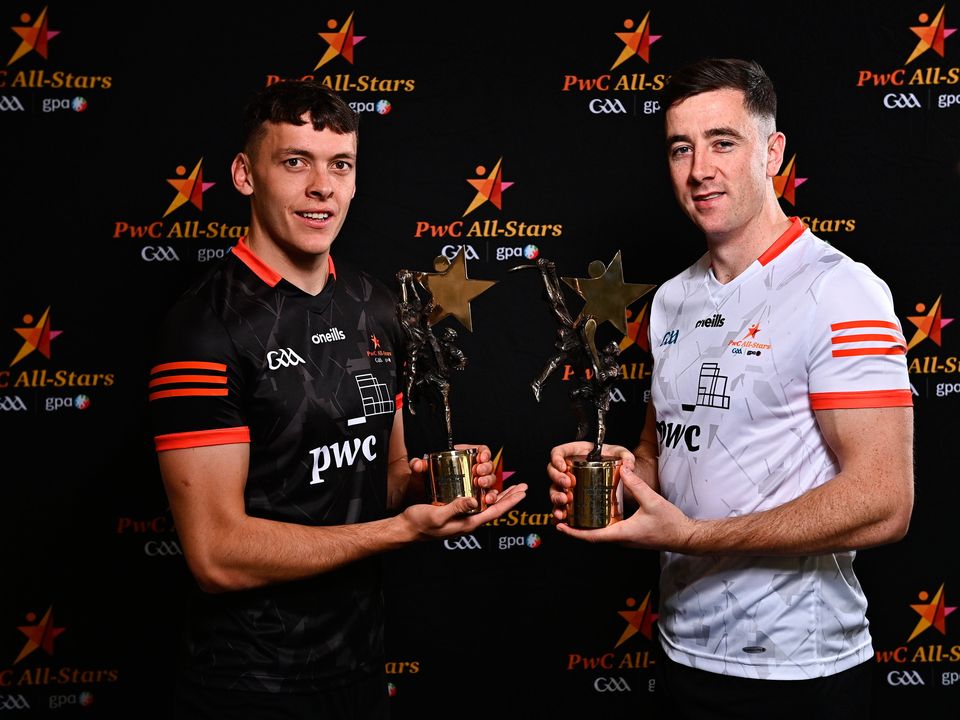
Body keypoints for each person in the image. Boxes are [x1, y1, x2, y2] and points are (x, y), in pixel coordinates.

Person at [147, 80, 527, 720]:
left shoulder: (375, 306)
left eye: (340, 165)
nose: (321, 186)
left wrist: (434, 484)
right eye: (295, 162)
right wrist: (398, 533)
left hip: (360, 668)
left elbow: (385, 481)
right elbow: (216, 554)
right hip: (248, 682)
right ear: (245, 175)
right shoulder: (205, 327)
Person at [547, 58, 914, 719]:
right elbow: (669, 454)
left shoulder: (839, 289)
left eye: (723, 142)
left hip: (801, 670)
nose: (699, 170)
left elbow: (884, 501)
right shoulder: (670, 301)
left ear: (772, 151)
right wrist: (617, 476)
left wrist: (692, 536)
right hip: (684, 652)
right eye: (680, 148)